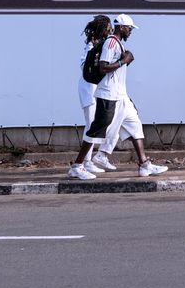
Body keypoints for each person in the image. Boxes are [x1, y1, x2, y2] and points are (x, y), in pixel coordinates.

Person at [69, 13, 168, 179]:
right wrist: (125, 60)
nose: (131, 31)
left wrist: (127, 97)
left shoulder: (118, 44)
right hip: (108, 95)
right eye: (129, 28)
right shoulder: (111, 42)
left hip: (120, 95)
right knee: (96, 130)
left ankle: (144, 165)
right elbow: (103, 68)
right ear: (122, 27)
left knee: (135, 125)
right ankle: (77, 166)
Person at [71, 15, 120, 179]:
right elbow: (85, 67)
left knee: (99, 123)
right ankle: (84, 163)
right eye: (107, 26)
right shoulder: (92, 44)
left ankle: (89, 160)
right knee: (91, 123)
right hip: (88, 87)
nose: (110, 29)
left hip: (97, 88)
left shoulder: (104, 42)